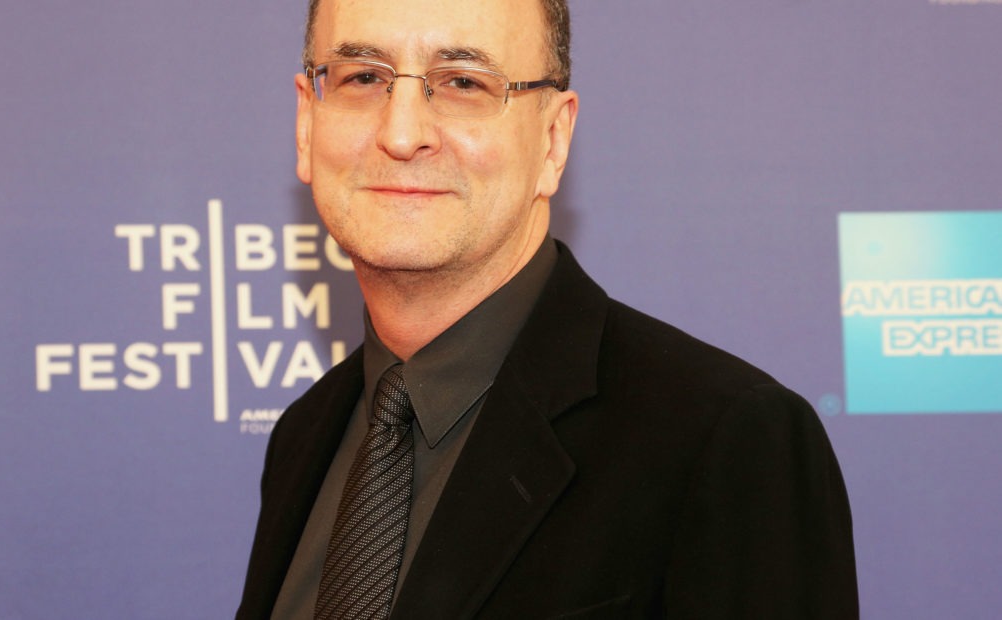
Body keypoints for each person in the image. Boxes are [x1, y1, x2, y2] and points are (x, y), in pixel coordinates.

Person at [237, 0, 859, 617]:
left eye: (462, 82)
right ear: (306, 121)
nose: (401, 135)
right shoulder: (307, 435)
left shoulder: (726, 441)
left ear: (553, 139)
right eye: (363, 77)